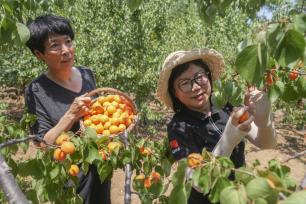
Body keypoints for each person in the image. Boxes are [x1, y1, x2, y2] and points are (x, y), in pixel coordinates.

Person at [156, 48, 276, 203]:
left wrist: (264, 117)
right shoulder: (178, 127)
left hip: (237, 196)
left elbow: (267, 143)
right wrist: (228, 139)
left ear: (209, 76)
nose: (195, 87)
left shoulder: (226, 106)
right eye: (184, 83)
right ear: (175, 93)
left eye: (199, 77)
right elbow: (198, 182)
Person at [24, 14, 111, 204]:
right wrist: (71, 114)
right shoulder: (36, 90)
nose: (66, 50)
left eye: (68, 42)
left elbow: (97, 120)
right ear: (39, 54)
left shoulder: (87, 74)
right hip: (71, 177)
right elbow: (43, 144)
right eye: (55, 45)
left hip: (99, 166)